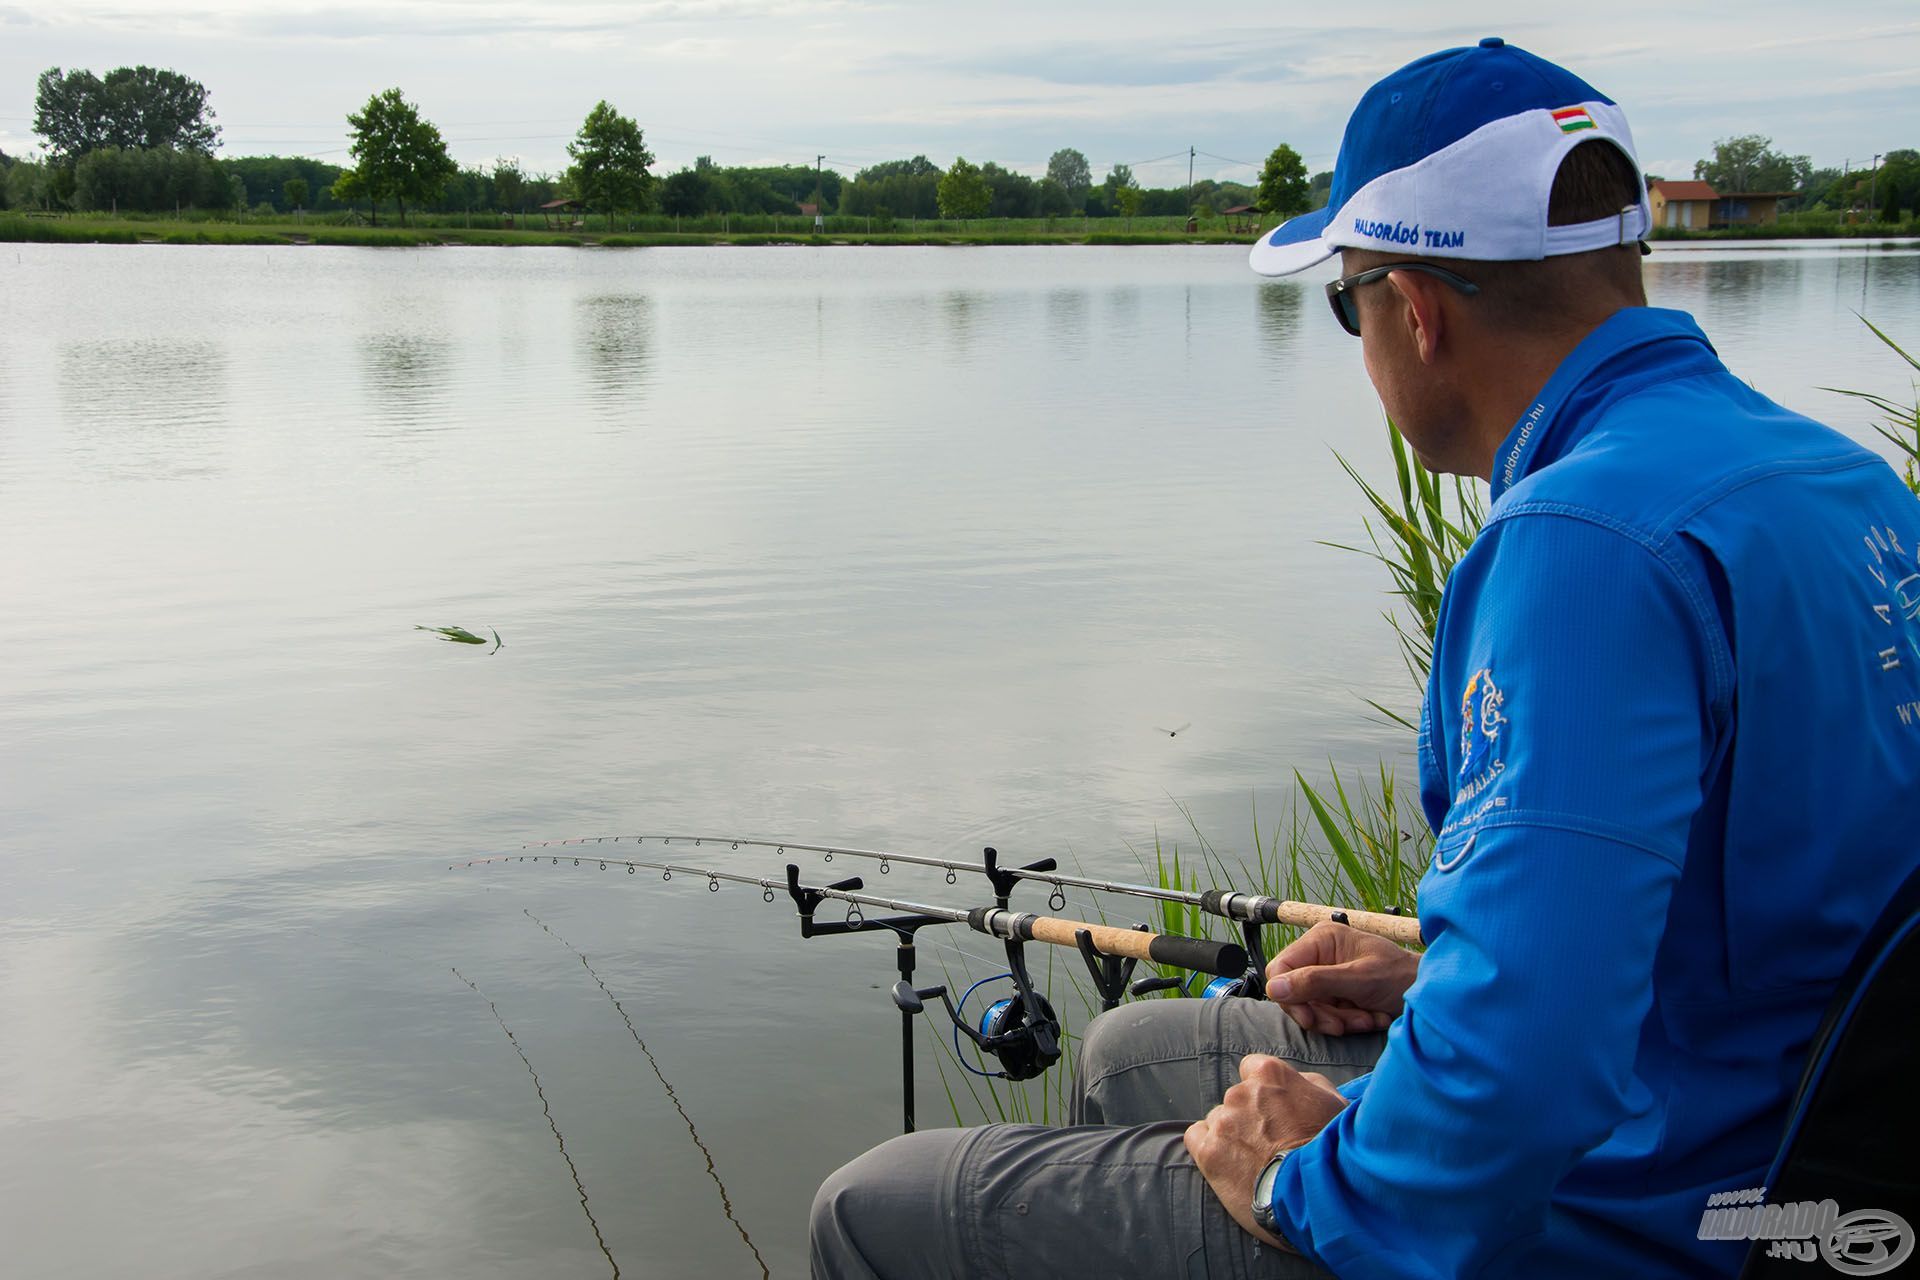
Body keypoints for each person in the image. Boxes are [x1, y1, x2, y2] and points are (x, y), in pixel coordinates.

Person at [811, 38, 1920, 1279]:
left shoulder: (1585, 543)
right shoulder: (1840, 478)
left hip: (1663, 1211)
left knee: (874, 1204)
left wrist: (1303, 1182)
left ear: (1416, 309)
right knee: (1131, 1056)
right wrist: (1440, 974)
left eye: (1346, 300)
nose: (1359, 334)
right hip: (1791, 1136)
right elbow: (1765, 907)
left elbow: (1525, 1074)